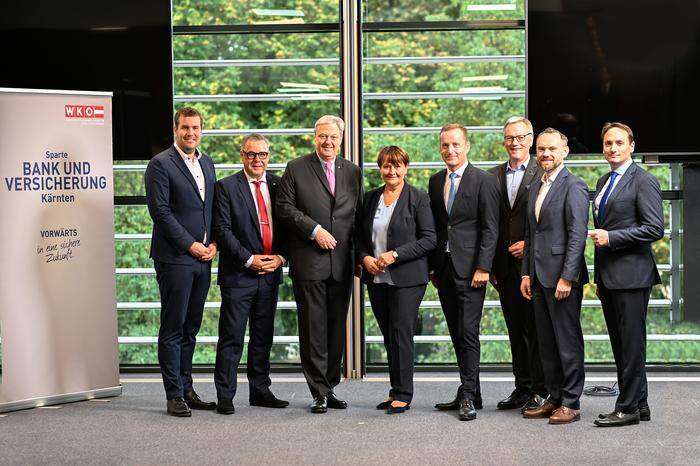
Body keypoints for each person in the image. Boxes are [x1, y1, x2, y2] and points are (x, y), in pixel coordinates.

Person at [276, 115, 363, 413]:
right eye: (322, 136)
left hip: (342, 263)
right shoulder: (296, 168)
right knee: (313, 329)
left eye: (333, 137)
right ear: (315, 137)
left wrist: (361, 257)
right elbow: (284, 208)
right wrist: (314, 230)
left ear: (341, 139)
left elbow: (358, 217)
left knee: (336, 329)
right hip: (309, 261)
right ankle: (318, 392)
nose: (328, 142)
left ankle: (330, 386)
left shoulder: (353, 172)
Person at [144, 107, 217, 417]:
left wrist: (212, 243)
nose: (191, 133)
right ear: (175, 130)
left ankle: (187, 388)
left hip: (204, 257)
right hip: (176, 257)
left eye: (196, 128)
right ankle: (173, 394)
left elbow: (210, 208)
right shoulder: (160, 164)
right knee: (173, 327)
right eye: (185, 128)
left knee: (191, 326)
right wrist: (191, 245)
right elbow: (160, 213)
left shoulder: (207, 163)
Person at [590, 122, 664, 427]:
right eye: (608, 143)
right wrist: (599, 276)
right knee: (622, 344)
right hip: (610, 278)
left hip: (633, 276)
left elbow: (654, 228)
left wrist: (613, 237)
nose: (613, 148)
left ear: (631, 146)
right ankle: (640, 404)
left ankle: (627, 407)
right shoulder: (603, 180)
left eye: (619, 142)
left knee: (631, 345)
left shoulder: (643, 180)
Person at [212, 134, 289, 415]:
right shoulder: (226, 187)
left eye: (263, 155)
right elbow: (222, 230)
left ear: (269, 157)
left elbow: (289, 226)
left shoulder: (280, 185)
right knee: (232, 336)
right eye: (251, 154)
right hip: (239, 274)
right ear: (242, 156)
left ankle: (259, 390)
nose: (257, 160)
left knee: (262, 335)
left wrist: (280, 258)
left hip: (270, 273)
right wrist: (248, 260)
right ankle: (225, 394)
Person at [429, 123, 500, 421]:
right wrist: (432, 267)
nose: (450, 150)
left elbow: (490, 228)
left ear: (467, 146)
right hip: (444, 270)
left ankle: (468, 395)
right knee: (457, 332)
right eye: (445, 145)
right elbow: (435, 227)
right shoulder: (435, 181)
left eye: (456, 144)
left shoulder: (484, 181)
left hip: (473, 270)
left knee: (468, 332)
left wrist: (484, 267)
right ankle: (473, 390)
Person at [358, 146, 436, 414]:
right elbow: (359, 237)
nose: (391, 171)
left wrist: (396, 254)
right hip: (377, 277)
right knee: (389, 335)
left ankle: (404, 393)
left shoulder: (419, 198)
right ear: (380, 168)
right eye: (386, 166)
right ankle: (395, 390)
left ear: (406, 168)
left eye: (397, 166)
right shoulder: (370, 199)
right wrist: (365, 258)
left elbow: (429, 239)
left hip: (408, 278)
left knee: (402, 333)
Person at [520, 128, 589, 425]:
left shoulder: (574, 185)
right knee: (546, 343)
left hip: (562, 278)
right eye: (541, 149)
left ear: (565, 152)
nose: (545, 154)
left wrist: (567, 277)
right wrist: (525, 273)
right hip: (538, 276)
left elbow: (577, 235)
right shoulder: (535, 185)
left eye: (551, 149)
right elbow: (530, 234)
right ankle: (554, 397)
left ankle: (571, 402)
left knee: (567, 341)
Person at [488, 117, 548, 413]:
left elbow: (550, 220)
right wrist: (489, 266)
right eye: (510, 137)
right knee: (515, 329)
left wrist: (530, 244)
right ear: (504, 141)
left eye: (520, 137)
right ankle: (522, 387)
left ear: (531, 138)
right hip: (503, 269)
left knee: (536, 330)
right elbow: (489, 224)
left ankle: (541, 389)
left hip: (533, 265)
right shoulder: (493, 176)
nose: (515, 142)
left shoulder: (544, 171)